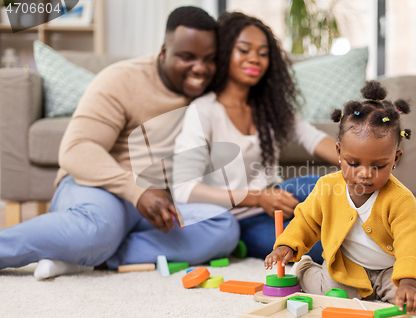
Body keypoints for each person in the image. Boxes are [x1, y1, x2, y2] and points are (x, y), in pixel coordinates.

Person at [0, 6, 239, 279]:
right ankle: (86, 245)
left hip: (157, 207)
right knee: (98, 229)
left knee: (224, 226)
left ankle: (87, 257)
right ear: (164, 51)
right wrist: (136, 191)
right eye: (187, 57)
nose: (201, 68)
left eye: (209, 59)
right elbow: (76, 149)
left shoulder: (212, 89)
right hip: (99, 190)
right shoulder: (121, 80)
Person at [171, 12, 338, 263]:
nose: (254, 59)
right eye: (244, 50)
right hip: (241, 219)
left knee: (324, 186)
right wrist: (258, 198)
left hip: (281, 196)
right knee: (316, 251)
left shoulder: (271, 106)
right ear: (225, 52)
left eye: (263, 53)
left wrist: (358, 162)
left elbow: (313, 139)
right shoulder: (203, 110)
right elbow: (184, 190)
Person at [264, 81, 416, 313]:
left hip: (390, 270)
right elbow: (305, 222)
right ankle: (307, 268)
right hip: (348, 269)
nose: (364, 174)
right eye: (353, 163)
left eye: (378, 166)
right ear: (339, 153)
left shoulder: (401, 200)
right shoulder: (327, 187)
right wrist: (287, 245)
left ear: (395, 159)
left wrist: (409, 283)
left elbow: (410, 244)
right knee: (330, 291)